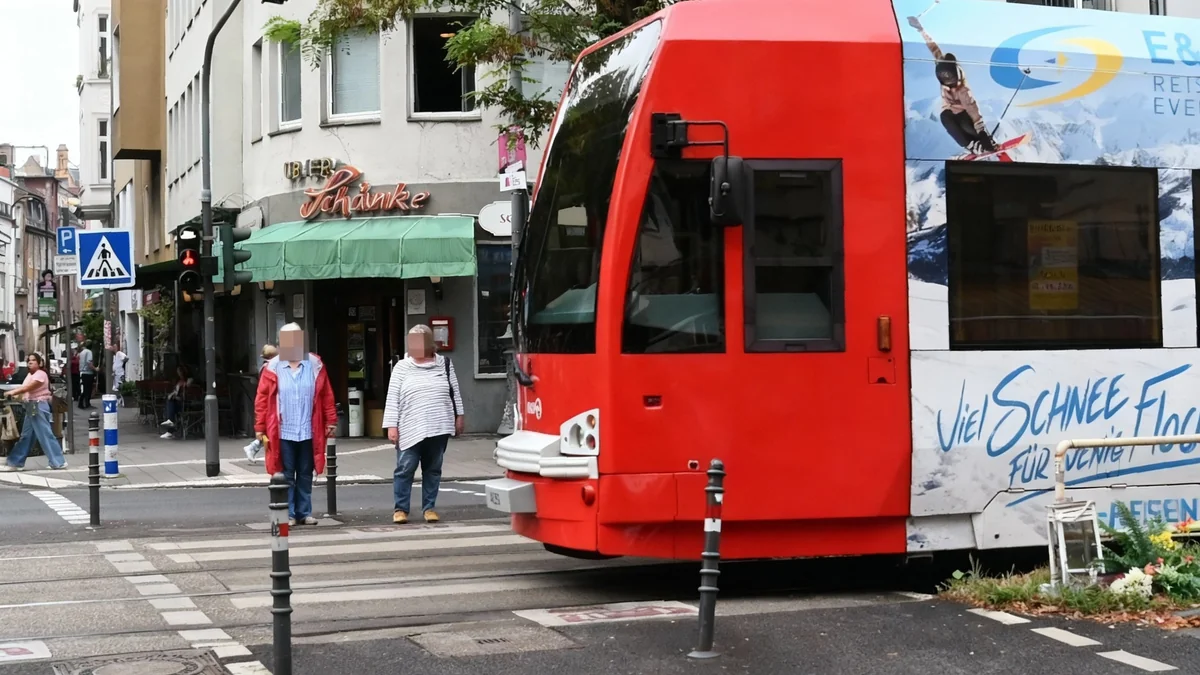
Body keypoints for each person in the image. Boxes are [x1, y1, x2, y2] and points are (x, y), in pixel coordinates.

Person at [254, 324, 336, 526]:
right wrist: (259, 427)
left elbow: (326, 396)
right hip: (282, 430)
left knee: (306, 473)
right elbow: (262, 399)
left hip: (309, 429)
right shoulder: (272, 367)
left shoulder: (315, 364)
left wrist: (331, 420)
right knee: (286, 473)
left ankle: (304, 512)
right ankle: (289, 513)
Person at [383, 324, 464, 525]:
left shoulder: (444, 364)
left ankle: (429, 508)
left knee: (433, 468)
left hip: (439, 425)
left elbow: (454, 391)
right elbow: (392, 397)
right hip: (410, 426)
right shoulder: (402, 366)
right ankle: (401, 509)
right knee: (405, 468)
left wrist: (459, 416)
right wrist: (391, 425)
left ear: (429, 344)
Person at [908, 15, 998, 156]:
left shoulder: (963, 90)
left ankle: (983, 143)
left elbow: (974, 112)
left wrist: (983, 134)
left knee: (960, 121)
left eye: (953, 84)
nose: (950, 87)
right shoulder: (943, 66)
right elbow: (933, 47)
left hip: (967, 120)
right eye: (947, 85)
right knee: (945, 116)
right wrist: (920, 29)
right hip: (954, 118)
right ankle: (972, 146)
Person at [0, 353, 67, 472]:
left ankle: (58, 461)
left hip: (38, 405)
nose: (30, 362)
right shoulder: (31, 375)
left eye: (33, 360)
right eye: (29, 360)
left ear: (40, 363)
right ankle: (16, 462)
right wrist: (14, 393)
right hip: (31, 406)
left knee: (45, 434)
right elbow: (24, 389)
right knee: (27, 436)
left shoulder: (40, 374)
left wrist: (11, 393)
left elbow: (28, 388)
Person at [243, 344, 278, 464]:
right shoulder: (268, 368)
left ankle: (253, 447)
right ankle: (253, 447)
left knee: (270, 431)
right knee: (270, 431)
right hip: (270, 404)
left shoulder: (265, 367)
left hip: (269, 403)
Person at [159, 365, 195, 440]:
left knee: (170, 404)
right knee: (169, 403)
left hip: (186, 404)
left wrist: (176, 393)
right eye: (178, 372)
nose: (179, 374)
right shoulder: (178, 381)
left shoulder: (189, 380)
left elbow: (187, 389)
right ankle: (170, 426)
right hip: (179, 402)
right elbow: (176, 392)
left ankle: (170, 428)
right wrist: (173, 395)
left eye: (180, 372)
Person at [77, 341, 95, 409]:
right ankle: (87, 403)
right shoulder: (89, 352)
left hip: (82, 372)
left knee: (85, 389)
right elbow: (89, 362)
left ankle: (81, 403)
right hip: (88, 372)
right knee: (88, 389)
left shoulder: (82, 352)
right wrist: (95, 369)